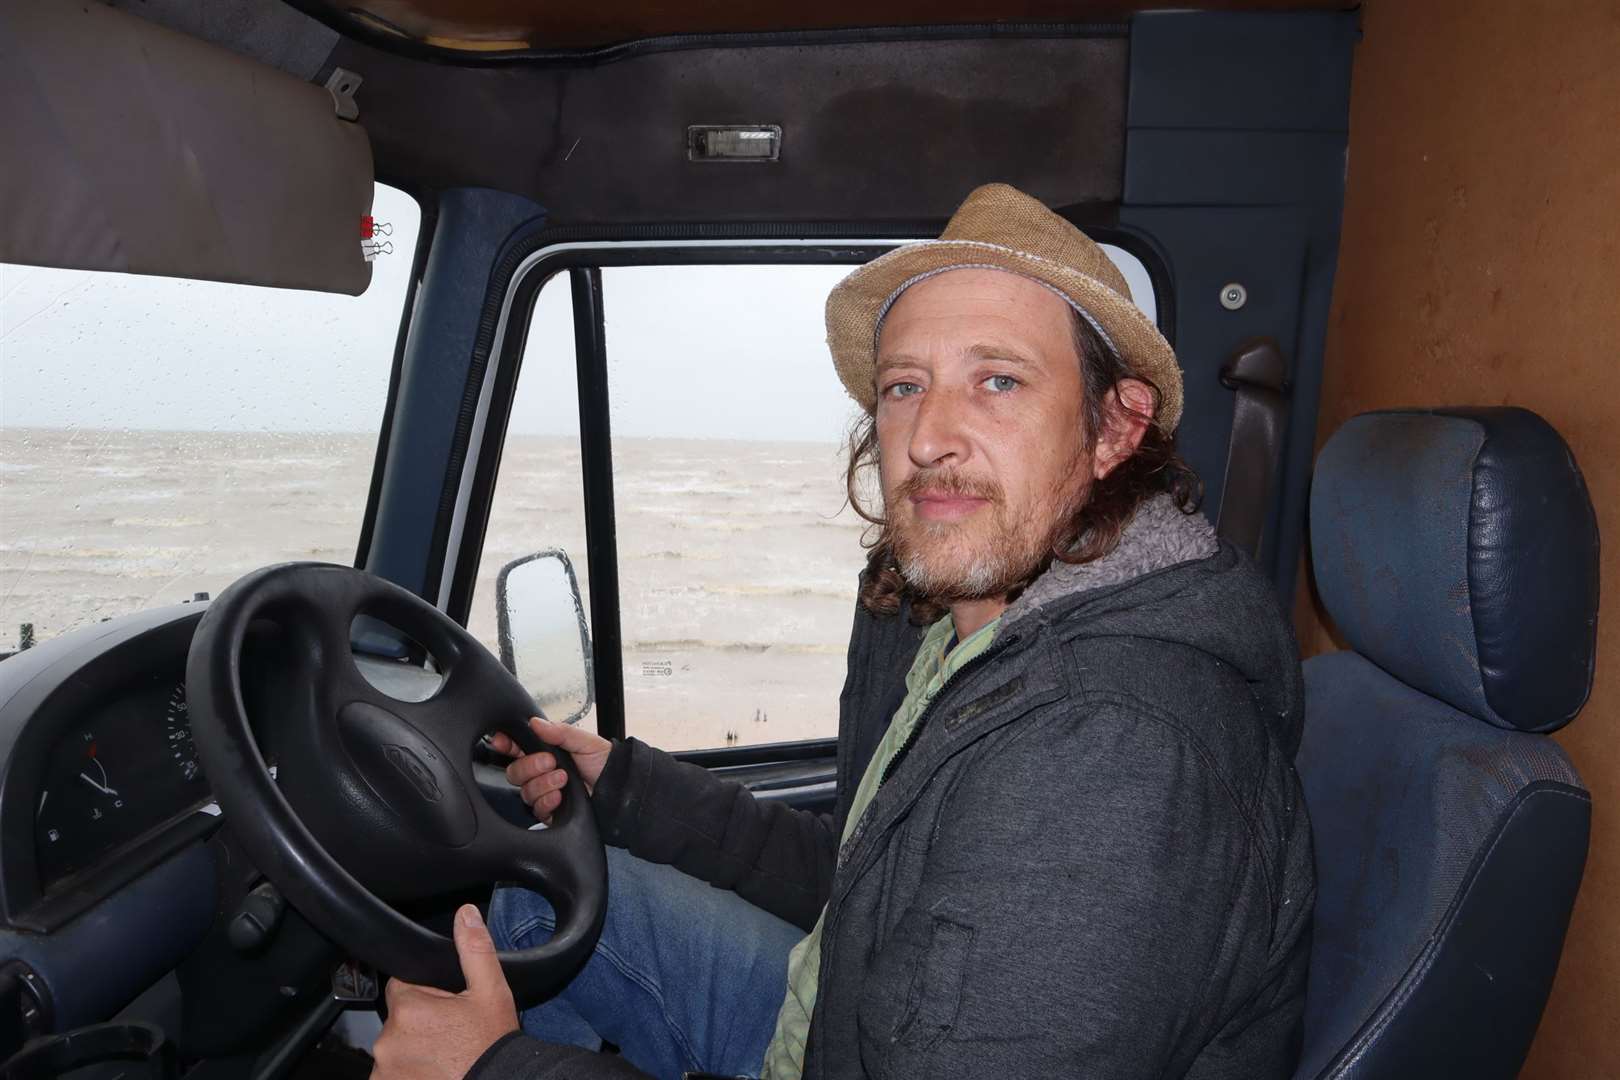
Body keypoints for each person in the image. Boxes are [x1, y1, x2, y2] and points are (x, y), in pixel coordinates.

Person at [372, 183, 1315, 1080]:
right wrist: (625, 786)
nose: (931, 434)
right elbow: (858, 877)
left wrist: (498, 1069)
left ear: (1114, 428)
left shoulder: (1115, 750)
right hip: (842, 1013)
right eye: (905, 386)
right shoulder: (942, 622)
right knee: (544, 901)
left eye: (998, 380)